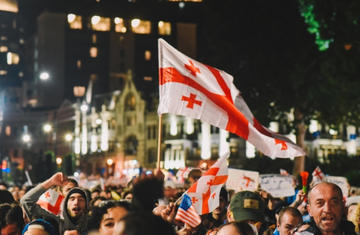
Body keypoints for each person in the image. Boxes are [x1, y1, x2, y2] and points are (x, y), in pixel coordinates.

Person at [20, 172, 90, 235]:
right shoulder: (52, 217)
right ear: (61, 193)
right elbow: (26, 201)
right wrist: (51, 182)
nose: (72, 193)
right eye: (68, 190)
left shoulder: (90, 219)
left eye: (75, 190)